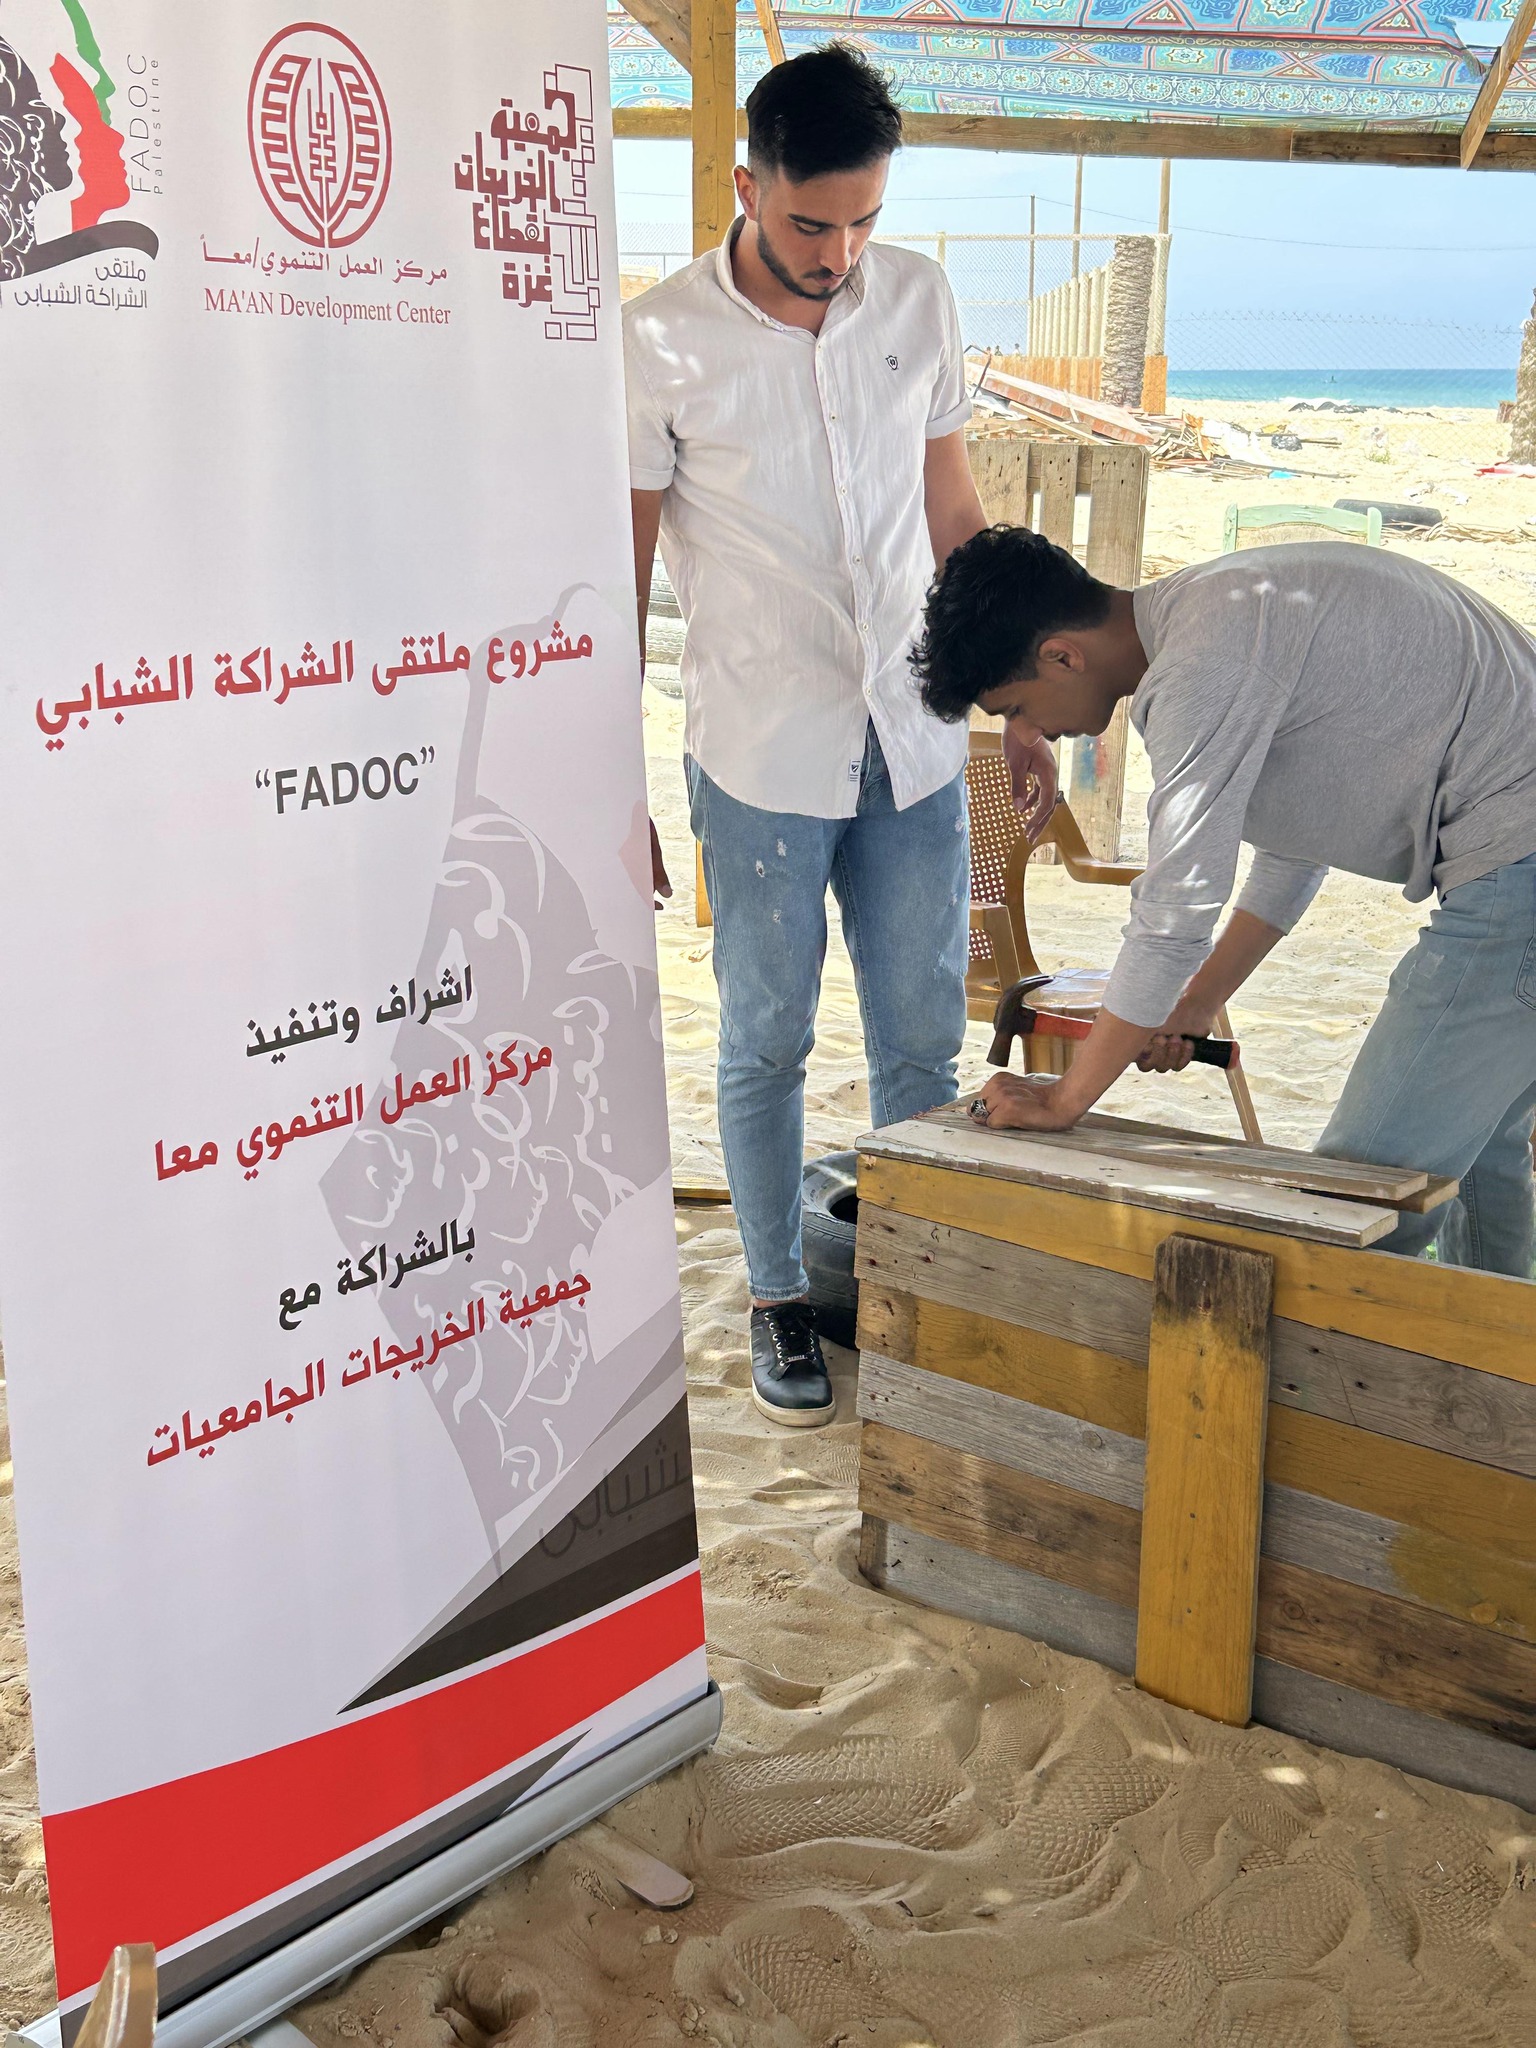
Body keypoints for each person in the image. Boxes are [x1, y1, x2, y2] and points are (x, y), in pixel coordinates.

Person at [624, 44, 1055, 1426]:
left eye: (864, 219)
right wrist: (604, 782)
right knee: (765, 1037)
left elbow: (954, 515)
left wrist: (1015, 692)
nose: (839, 252)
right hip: (761, 752)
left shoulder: (916, 298)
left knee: (923, 1038)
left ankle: (915, 1291)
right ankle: (775, 1297)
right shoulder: (656, 341)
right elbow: (619, 576)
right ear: (745, 183)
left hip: (916, 739)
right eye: (812, 221)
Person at [911, 527, 1536, 1277]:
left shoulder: (1201, 668)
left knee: (1350, 1207)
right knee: (1482, 1156)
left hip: (1518, 865)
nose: (1027, 732)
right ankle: (1507, 1346)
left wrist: (1064, 1100)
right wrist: (1196, 1002)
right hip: (1515, 851)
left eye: (1015, 706)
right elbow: (1300, 842)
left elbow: (1176, 911)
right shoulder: (1219, 614)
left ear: (1063, 655)